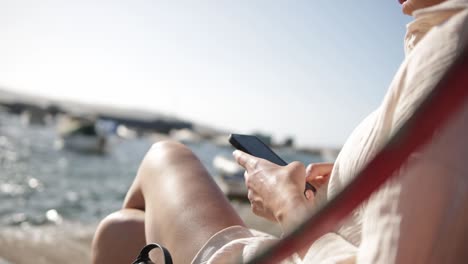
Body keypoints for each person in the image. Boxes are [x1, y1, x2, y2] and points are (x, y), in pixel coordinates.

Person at [91, 0, 468, 263]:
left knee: (165, 156)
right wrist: (340, 190)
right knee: (120, 231)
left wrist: (286, 202)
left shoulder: (451, 53)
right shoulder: (439, 46)